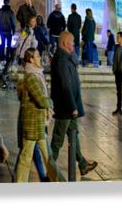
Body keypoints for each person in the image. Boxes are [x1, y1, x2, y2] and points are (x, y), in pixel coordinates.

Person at [49, 31, 97, 178]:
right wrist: (72, 107)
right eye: (72, 42)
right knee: (57, 140)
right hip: (65, 108)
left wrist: (72, 53)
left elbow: (76, 61)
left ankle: (82, 164)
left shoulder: (66, 56)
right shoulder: (61, 60)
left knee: (73, 134)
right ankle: (48, 169)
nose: (74, 44)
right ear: (65, 43)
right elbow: (65, 85)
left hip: (69, 107)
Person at [15, 47, 61, 182]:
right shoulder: (31, 77)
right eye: (37, 56)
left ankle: (57, 181)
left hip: (38, 124)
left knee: (47, 158)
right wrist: (51, 102)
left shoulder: (36, 75)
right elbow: (41, 100)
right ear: (31, 59)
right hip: (33, 125)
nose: (40, 58)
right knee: (26, 158)